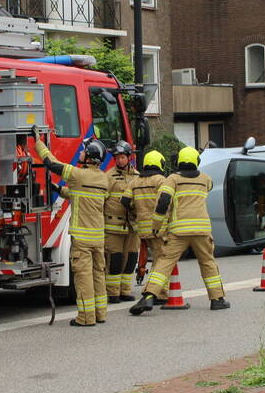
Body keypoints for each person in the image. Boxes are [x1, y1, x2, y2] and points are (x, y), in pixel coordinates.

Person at [130, 146, 230, 314]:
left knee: (164, 262)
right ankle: (217, 299)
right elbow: (210, 186)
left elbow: (163, 202)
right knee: (208, 263)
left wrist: (156, 225)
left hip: (179, 231)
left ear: (177, 163)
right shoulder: (205, 179)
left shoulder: (172, 179)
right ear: (196, 162)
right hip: (201, 231)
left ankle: (148, 297)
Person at [33, 127, 109, 327]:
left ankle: (85, 318)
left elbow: (51, 163)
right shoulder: (102, 178)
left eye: (84, 151)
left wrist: (38, 142)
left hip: (82, 240)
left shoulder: (78, 175)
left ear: (89, 157)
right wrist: (59, 189)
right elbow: (80, 194)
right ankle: (100, 313)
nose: (81, 153)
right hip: (98, 238)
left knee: (83, 277)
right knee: (98, 275)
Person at [121, 149, 168, 301]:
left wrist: (135, 212)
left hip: (142, 228)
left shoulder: (135, 181)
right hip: (159, 227)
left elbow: (125, 201)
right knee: (161, 261)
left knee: (153, 259)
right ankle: (155, 293)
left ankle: (154, 291)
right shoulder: (161, 180)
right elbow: (166, 201)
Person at [103, 140, 139, 302]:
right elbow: (102, 199)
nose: (119, 160)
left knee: (130, 259)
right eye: (117, 157)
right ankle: (112, 293)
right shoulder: (108, 176)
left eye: (122, 157)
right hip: (113, 226)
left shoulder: (137, 176)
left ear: (129, 158)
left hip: (132, 226)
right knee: (115, 259)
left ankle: (125, 290)